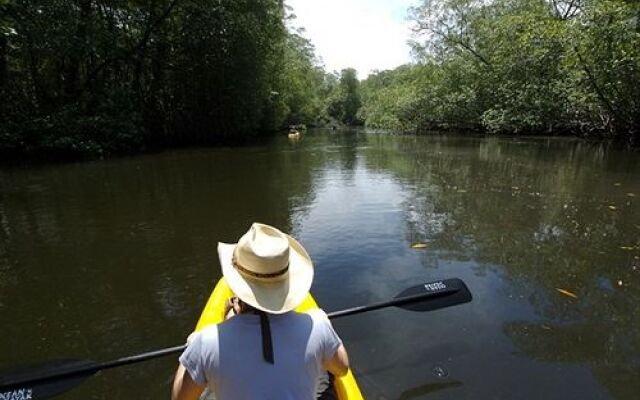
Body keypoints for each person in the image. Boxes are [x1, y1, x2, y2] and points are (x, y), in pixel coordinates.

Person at [171, 223, 350, 400]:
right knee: (325, 377)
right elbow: (342, 368)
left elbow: (180, 398)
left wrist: (192, 346)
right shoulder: (318, 325)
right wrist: (325, 327)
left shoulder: (205, 342)